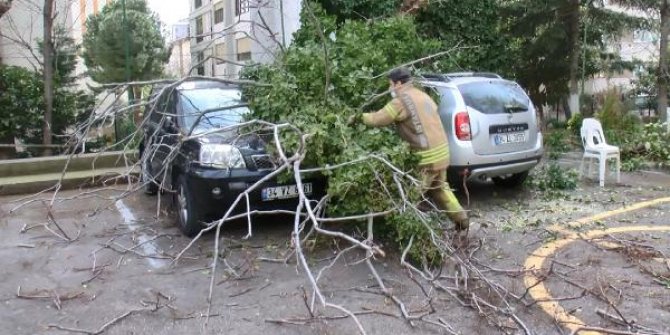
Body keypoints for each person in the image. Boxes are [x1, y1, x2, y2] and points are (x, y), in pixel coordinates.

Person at [348, 67, 469, 230]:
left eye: (390, 84)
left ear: (398, 83)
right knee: (441, 189)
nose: (389, 88)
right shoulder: (423, 95)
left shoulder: (401, 101)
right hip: (442, 154)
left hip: (427, 158)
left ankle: (407, 229)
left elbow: (379, 119)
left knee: (410, 197)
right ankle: (462, 221)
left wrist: (358, 117)